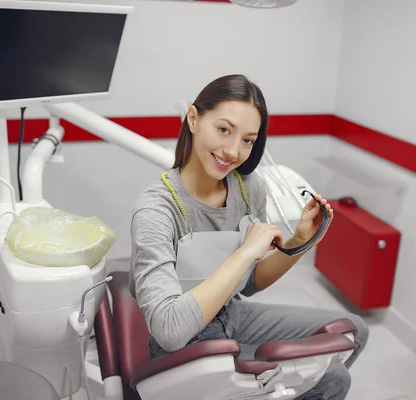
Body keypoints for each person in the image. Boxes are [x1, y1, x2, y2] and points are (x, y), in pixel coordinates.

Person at [129, 74, 369, 399]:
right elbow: (169, 330)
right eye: (224, 130)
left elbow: (250, 282)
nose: (232, 151)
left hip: (233, 316)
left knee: (355, 331)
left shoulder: (248, 187)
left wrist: (299, 242)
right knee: (333, 381)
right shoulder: (156, 210)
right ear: (194, 118)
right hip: (185, 347)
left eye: (247, 140)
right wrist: (244, 253)